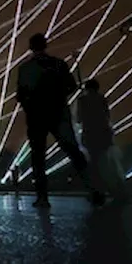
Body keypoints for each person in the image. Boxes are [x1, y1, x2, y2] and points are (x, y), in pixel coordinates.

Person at [15, 33, 103, 208]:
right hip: (58, 113)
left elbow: (20, 94)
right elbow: (71, 86)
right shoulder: (59, 64)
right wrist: (57, 96)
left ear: (31, 48)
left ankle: (42, 198)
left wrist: (30, 103)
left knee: (38, 156)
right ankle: (93, 189)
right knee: (72, 150)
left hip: (36, 116)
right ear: (45, 45)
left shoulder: (25, 69)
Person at [76, 79, 125, 200]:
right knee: (104, 161)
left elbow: (78, 119)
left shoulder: (82, 101)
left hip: (90, 134)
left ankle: (98, 189)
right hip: (103, 134)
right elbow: (107, 116)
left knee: (94, 162)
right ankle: (113, 188)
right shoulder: (102, 99)